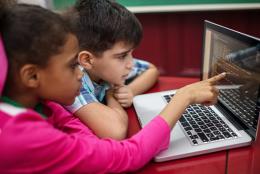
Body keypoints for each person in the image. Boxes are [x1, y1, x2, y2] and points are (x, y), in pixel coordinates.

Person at [0, 3, 226, 173]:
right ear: (31, 76)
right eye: (71, 66)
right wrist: (182, 97)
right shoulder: (23, 138)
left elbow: (91, 142)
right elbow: (126, 152)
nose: (79, 72)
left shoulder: (45, 104)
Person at [63, 0, 159, 140]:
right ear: (87, 60)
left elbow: (151, 70)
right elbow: (115, 132)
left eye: (131, 53)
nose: (130, 64)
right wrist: (112, 94)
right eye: (122, 56)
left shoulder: (106, 67)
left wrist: (131, 90)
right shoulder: (73, 80)